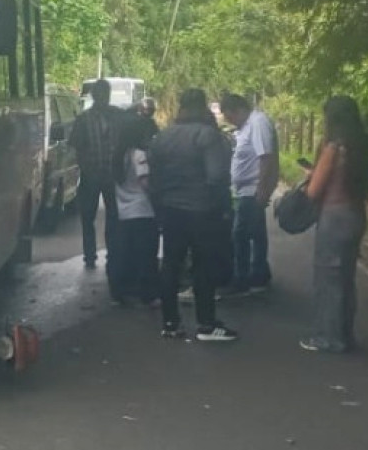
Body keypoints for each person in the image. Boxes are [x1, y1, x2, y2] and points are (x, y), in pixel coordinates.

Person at [149, 88, 237, 341]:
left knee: (170, 265)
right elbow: (217, 177)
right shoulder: (208, 136)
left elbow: (154, 178)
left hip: (170, 211)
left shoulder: (163, 137)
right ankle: (207, 325)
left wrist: (160, 207)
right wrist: (223, 210)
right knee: (203, 267)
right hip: (202, 211)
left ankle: (170, 323)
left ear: (181, 107)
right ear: (202, 107)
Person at [300, 95, 368, 353]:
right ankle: (345, 334)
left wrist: (311, 176)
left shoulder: (334, 147)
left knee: (328, 278)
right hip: (356, 215)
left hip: (334, 216)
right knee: (345, 278)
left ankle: (328, 338)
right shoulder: (364, 145)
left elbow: (314, 191)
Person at [219, 93, 279, 296]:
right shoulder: (246, 127)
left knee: (242, 234)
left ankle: (245, 277)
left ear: (237, 110)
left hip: (253, 189)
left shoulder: (258, 123)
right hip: (245, 190)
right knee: (253, 233)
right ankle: (258, 273)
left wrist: (262, 189)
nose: (230, 121)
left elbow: (266, 158)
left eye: (229, 116)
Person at [70, 78, 123, 270]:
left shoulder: (117, 116)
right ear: (94, 96)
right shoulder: (83, 119)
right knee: (87, 216)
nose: (103, 98)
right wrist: (85, 167)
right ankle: (90, 256)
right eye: (100, 94)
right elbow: (76, 146)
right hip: (91, 175)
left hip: (112, 174)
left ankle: (114, 252)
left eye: (106, 94)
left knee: (114, 216)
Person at [109, 112, 160, 307]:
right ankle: (148, 294)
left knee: (125, 253)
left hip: (124, 210)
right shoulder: (139, 154)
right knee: (146, 256)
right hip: (143, 209)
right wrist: (158, 195)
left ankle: (120, 292)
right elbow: (145, 182)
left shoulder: (118, 154)